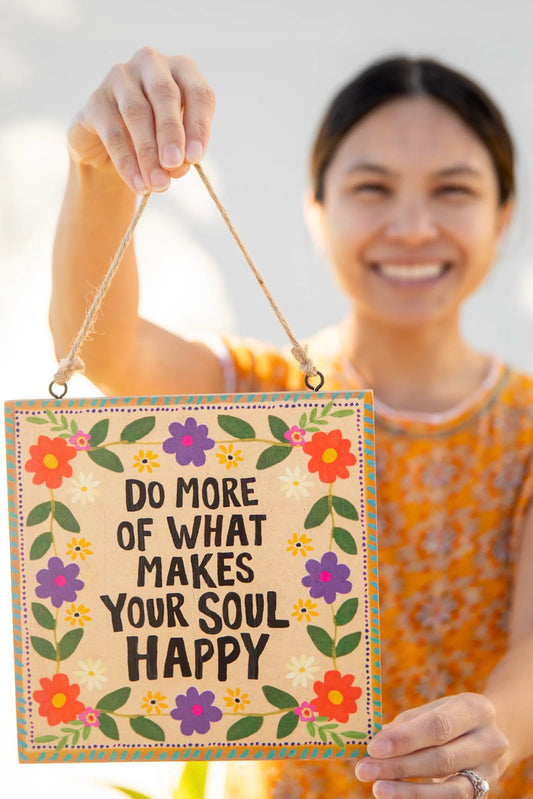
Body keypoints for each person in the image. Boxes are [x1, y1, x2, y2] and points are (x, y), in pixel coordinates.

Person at [50, 47, 533, 798]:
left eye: (453, 190)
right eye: (371, 187)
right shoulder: (257, 396)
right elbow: (100, 344)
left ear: (502, 215)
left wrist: (488, 727)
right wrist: (99, 170)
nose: (410, 226)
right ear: (316, 209)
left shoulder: (528, 427)